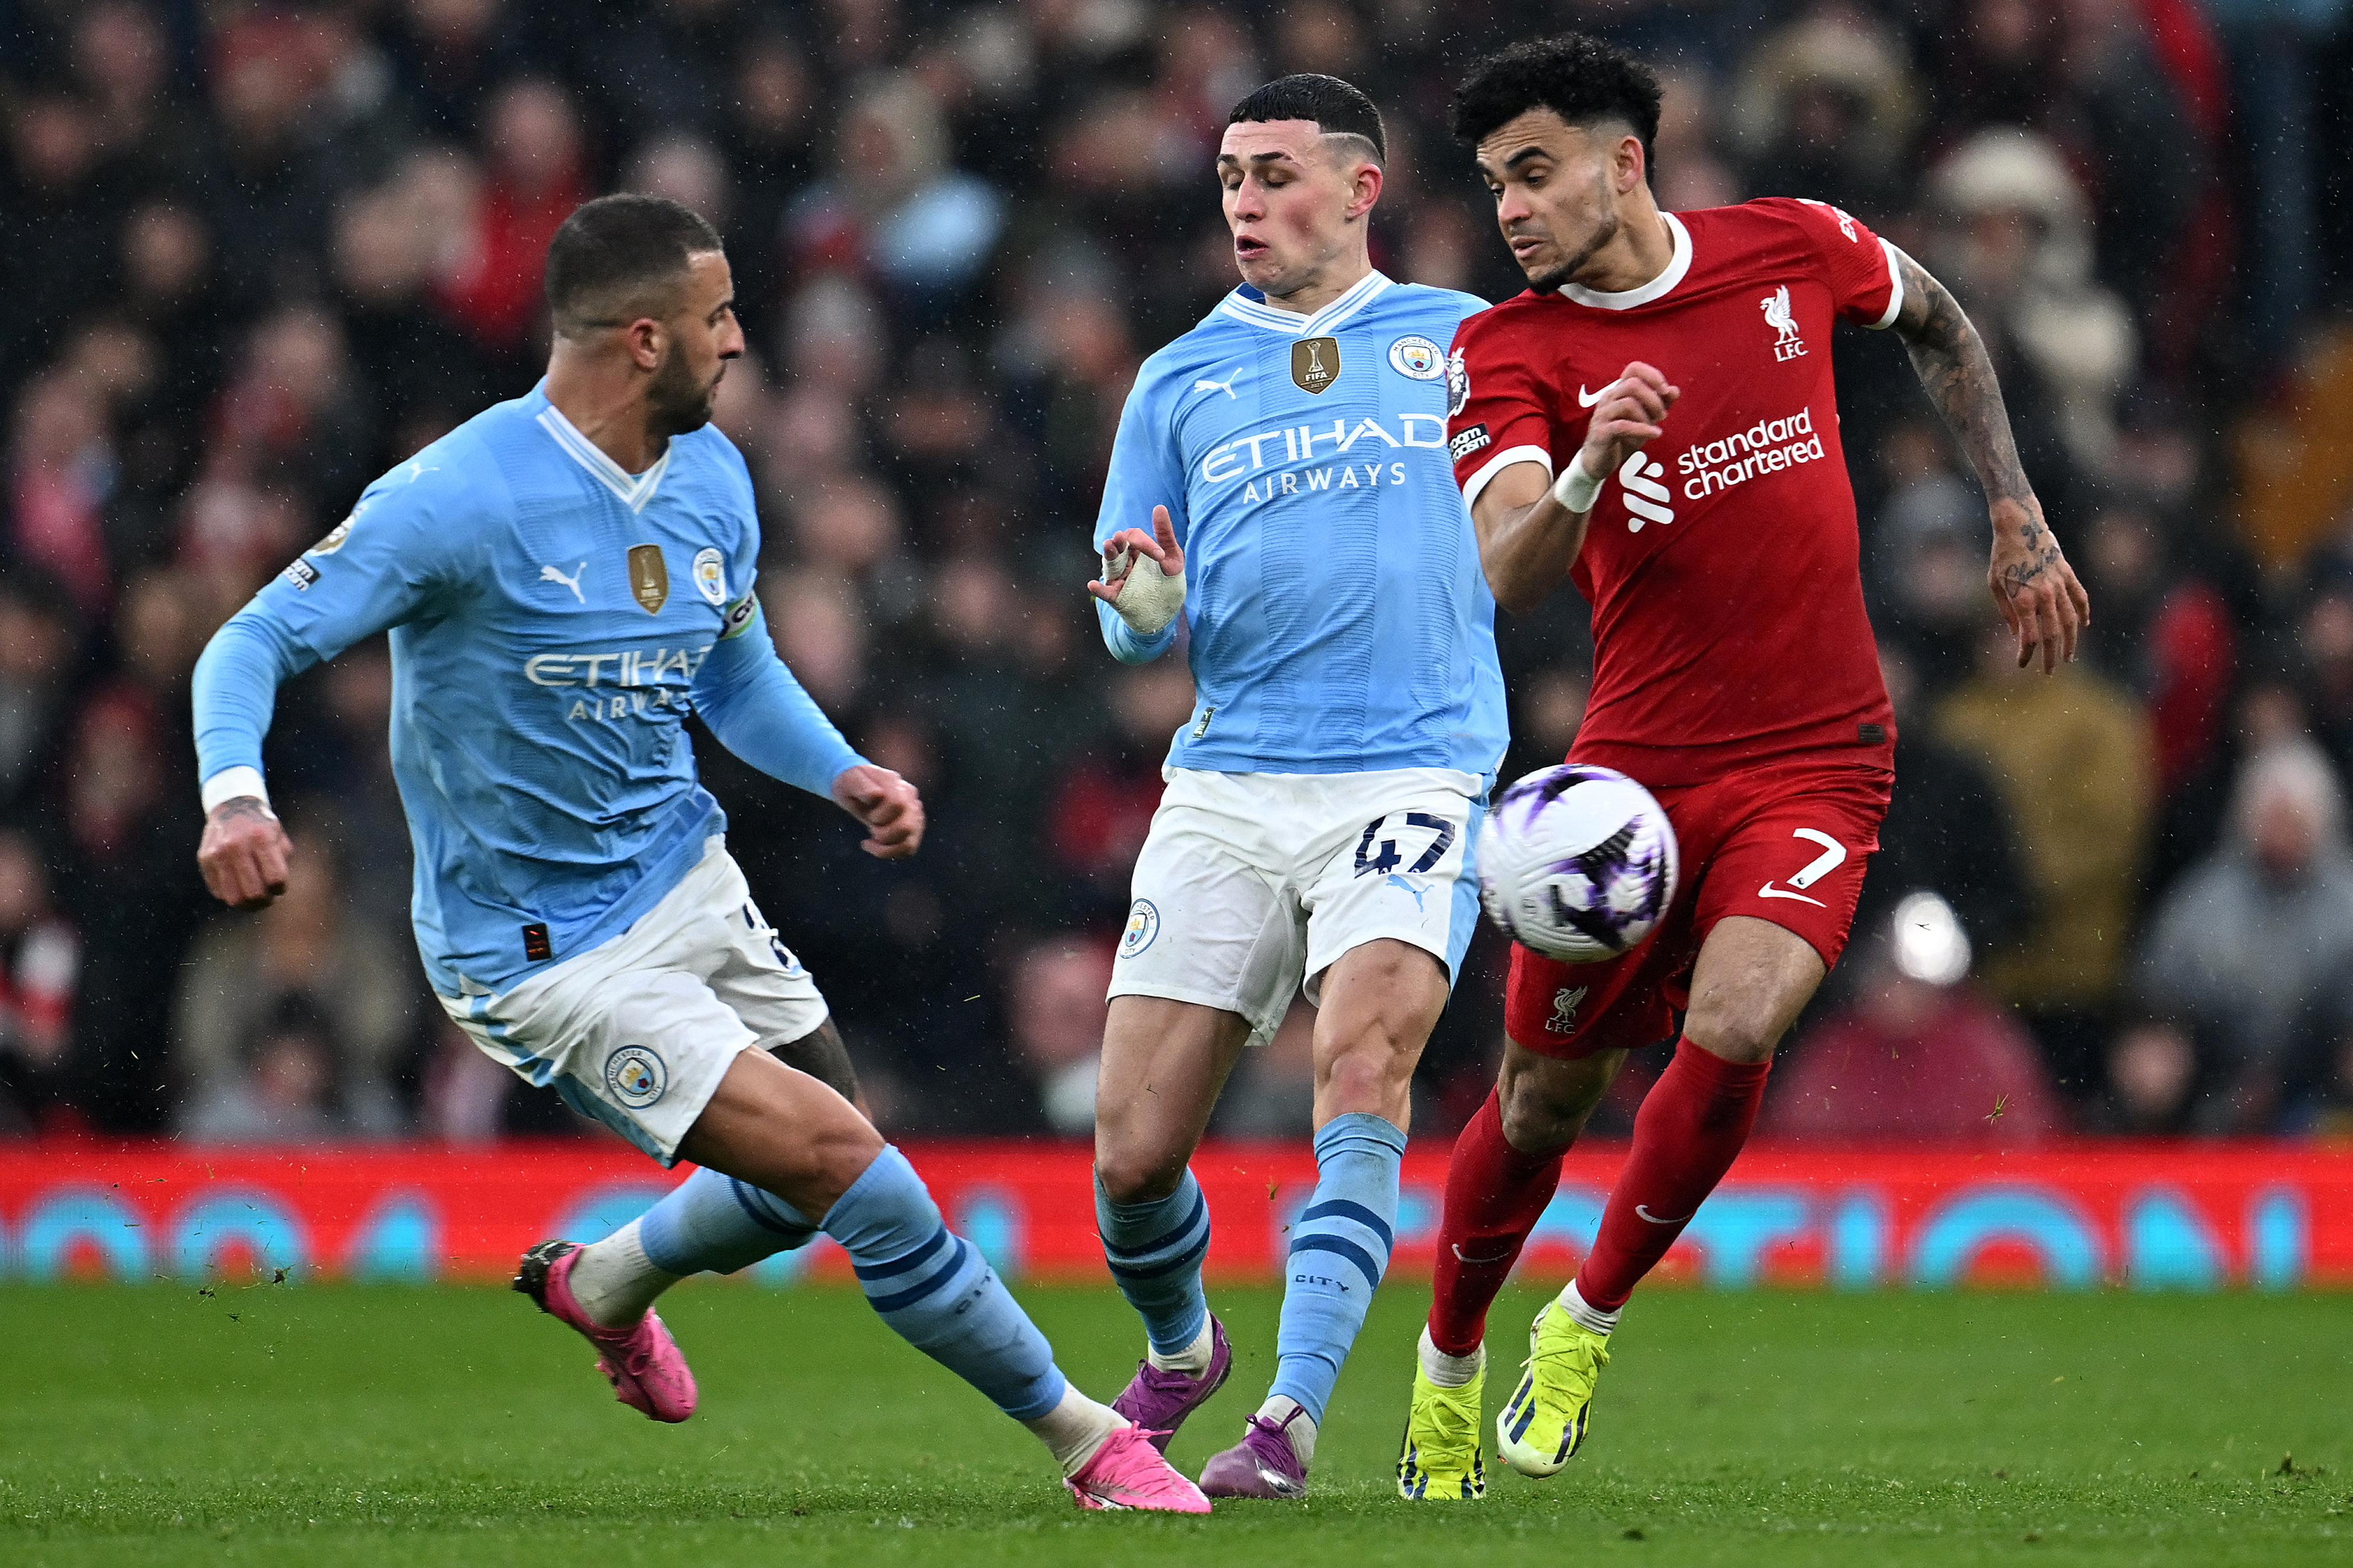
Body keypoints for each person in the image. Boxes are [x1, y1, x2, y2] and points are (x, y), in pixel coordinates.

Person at [188, 194, 1206, 1514]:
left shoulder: (712, 473)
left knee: (797, 1186)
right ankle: (1087, 1440)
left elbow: (733, 674)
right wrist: (232, 798)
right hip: (542, 950)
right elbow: (248, 640)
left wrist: (842, 770)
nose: (739, 340)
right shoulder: (457, 496)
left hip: (685, 877)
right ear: (642, 337)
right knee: (844, 1163)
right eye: (718, 316)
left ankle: (602, 1282)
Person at [1397, 35, 2088, 1501]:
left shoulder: (1787, 248)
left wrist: (2012, 509)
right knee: (1536, 1102)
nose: (1509, 209)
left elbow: (1943, 320)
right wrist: (1589, 466)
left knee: (1743, 1010)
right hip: (1627, 786)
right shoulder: (1506, 352)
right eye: (1491, 183)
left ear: (1622, 160)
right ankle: (1447, 1362)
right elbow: (1507, 564)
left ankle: (1580, 1327)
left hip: (1815, 759)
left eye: (1532, 171)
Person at [1084, 75, 1505, 1499]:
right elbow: (1128, 609)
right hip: (1230, 780)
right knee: (1133, 1154)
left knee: (1365, 1060)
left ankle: (1288, 1418)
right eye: (1226, 179)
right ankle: (1183, 1341)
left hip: (1416, 764)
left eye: (1271, 175)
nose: (1244, 204)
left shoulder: (1460, 342)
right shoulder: (1175, 378)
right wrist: (1141, 608)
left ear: (1359, 188)